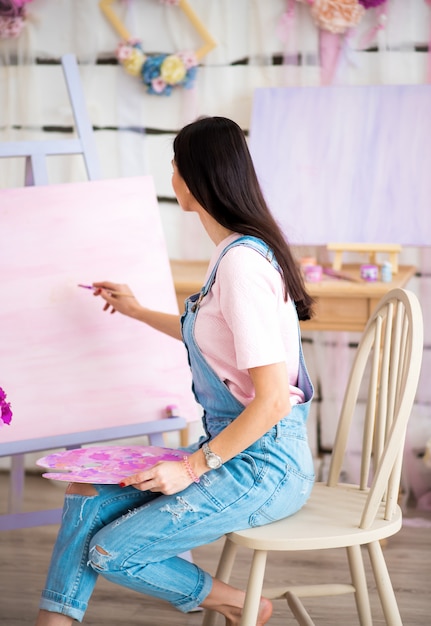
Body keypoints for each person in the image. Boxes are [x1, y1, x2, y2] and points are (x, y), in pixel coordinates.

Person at [35, 116, 315, 626]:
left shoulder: (241, 266)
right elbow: (215, 337)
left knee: (112, 551)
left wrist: (190, 468)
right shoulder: (232, 254)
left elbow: (273, 401)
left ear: (193, 175)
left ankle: (240, 604)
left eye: (174, 164)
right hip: (235, 451)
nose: (172, 176)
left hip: (265, 468)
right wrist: (137, 310)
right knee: (85, 493)